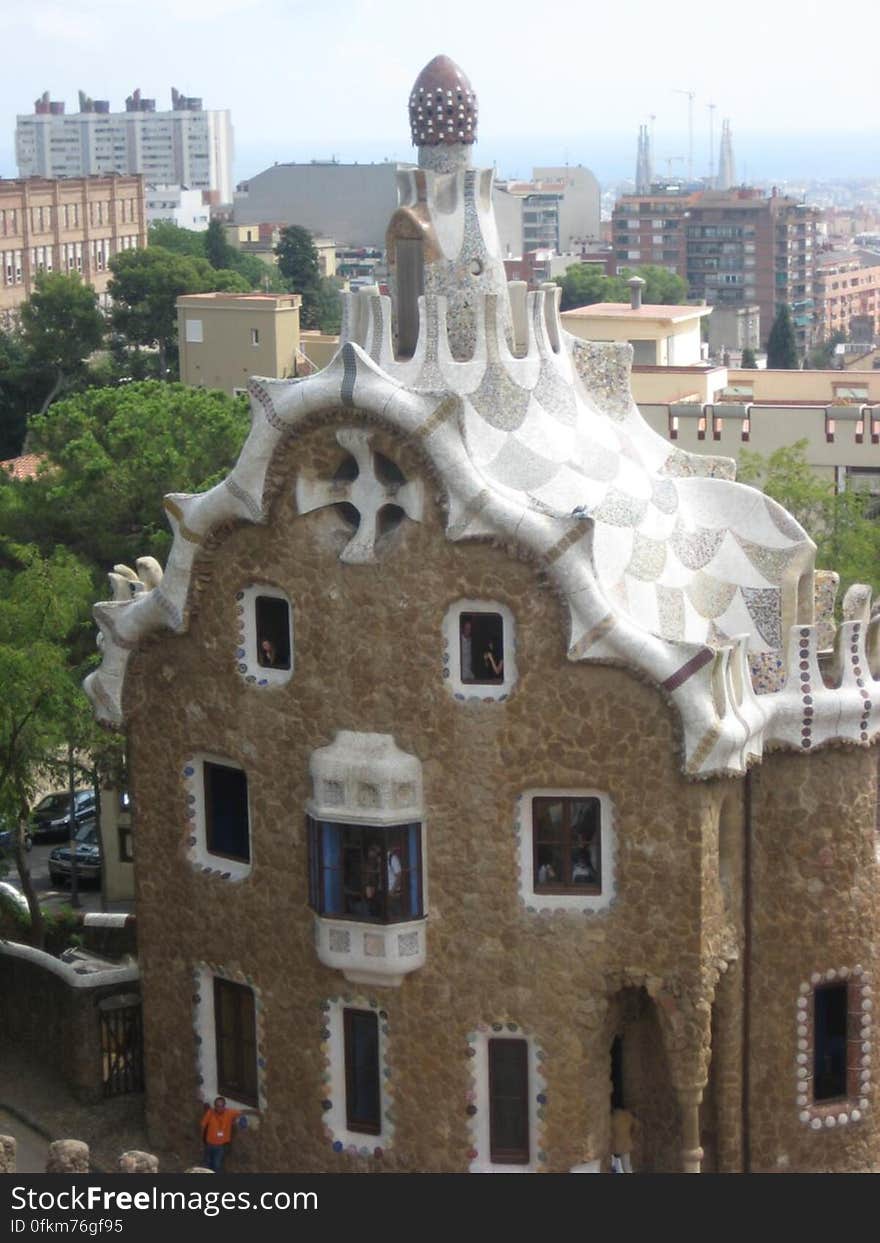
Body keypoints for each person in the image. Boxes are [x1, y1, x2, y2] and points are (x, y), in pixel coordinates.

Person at [201, 1095, 259, 1173]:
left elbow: (242, 1112)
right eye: (217, 1106)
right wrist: (202, 1139)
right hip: (209, 1144)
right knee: (207, 1163)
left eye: (221, 1106)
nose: (219, 1108)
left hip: (220, 1146)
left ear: (224, 1106)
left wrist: (254, 1111)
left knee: (217, 1164)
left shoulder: (229, 1113)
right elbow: (203, 1125)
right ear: (215, 1106)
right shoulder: (210, 1113)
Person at [610, 1106, 637, 1173]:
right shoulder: (627, 1114)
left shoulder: (611, 1116)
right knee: (627, 1167)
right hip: (626, 1144)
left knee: (616, 1168)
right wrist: (630, 1134)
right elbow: (636, 1125)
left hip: (614, 1145)